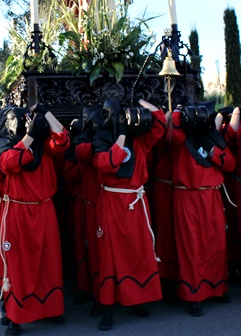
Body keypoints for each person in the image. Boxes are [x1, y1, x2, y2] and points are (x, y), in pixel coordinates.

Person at [92, 99, 165, 330]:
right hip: (112, 202)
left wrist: (141, 104)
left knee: (138, 251)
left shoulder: (139, 140)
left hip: (135, 200)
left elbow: (160, 126)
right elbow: (108, 164)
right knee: (110, 256)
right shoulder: (101, 139)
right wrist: (121, 134)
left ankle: (137, 299)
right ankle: (108, 309)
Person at [0, 105, 69, 335]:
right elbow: (8, 163)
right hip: (18, 212)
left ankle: (51, 309)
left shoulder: (42, 145)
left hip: (44, 209)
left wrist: (47, 114)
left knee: (49, 262)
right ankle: (16, 316)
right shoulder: (8, 143)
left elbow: (63, 140)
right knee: (19, 266)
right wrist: (29, 137)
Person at [167, 104, 235, 316]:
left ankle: (217, 287)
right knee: (192, 246)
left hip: (211, 196)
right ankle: (193, 295)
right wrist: (178, 111)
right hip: (187, 196)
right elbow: (173, 136)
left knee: (216, 244)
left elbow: (230, 164)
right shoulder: (179, 140)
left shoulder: (212, 136)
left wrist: (213, 151)